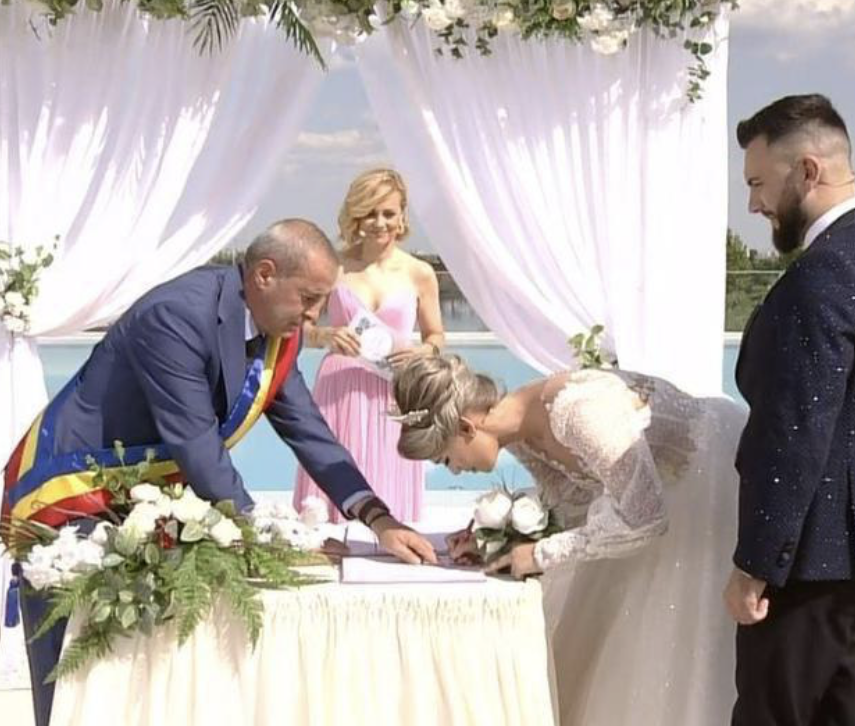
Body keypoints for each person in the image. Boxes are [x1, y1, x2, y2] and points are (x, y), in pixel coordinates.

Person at [2, 219, 437, 726]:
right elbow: (197, 444)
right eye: (309, 298)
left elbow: (308, 430)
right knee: (75, 668)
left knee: (141, 671)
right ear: (265, 275)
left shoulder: (278, 330)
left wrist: (378, 518)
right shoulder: (176, 316)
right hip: (74, 488)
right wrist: (273, 540)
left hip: (145, 495)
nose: (315, 315)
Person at [391, 353, 747, 725]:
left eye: (445, 460)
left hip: (710, 484)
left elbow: (644, 516)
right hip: (651, 504)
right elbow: (576, 510)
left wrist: (540, 554)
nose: (455, 471)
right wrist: (491, 541)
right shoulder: (520, 435)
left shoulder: (579, 412)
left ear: (466, 428)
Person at [724, 93, 855, 726]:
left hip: (806, 567)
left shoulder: (822, 277)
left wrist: (755, 563)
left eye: (757, 183)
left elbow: (792, 435)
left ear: (808, 171)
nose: (753, 204)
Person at [294, 169, 445, 522]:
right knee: (331, 488)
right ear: (356, 216)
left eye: (388, 213)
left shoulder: (420, 273)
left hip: (395, 389)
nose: (380, 223)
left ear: (402, 215)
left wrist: (421, 352)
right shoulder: (333, 268)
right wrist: (326, 336)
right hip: (339, 387)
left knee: (390, 488)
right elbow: (299, 326)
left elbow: (436, 336)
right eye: (370, 213)